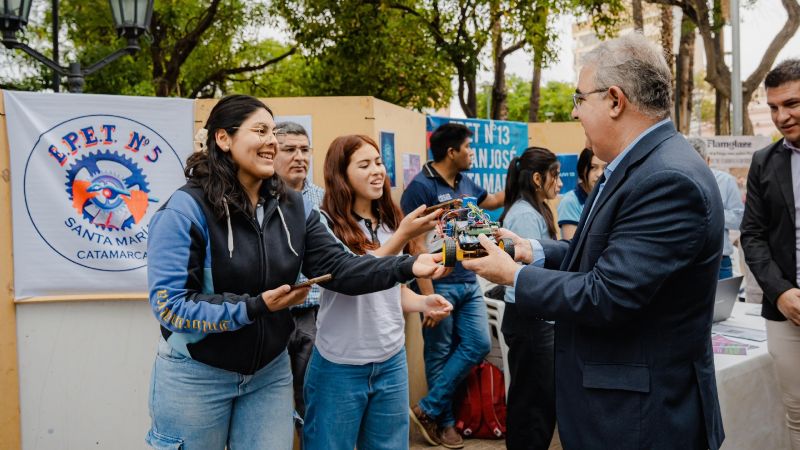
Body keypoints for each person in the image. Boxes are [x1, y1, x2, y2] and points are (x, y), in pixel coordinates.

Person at [462, 33, 726, 450]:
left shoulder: (665, 179)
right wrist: (534, 250)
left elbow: (607, 294)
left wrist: (513, 274)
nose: (574, 111)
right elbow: (604, 257)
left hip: (638, 419)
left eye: (580, 98)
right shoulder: (642, 167)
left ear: (615, 100)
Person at [145, 95, 446, 450]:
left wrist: (408, 265)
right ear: (223, 139)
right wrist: (255, 307)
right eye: (260, 130)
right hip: (197, 374)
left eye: (274, 131)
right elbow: (171, 307)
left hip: (268, 374)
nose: (272, 141)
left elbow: (341, 269)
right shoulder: (184, 211)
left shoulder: (293, 205)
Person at [302, 134, 453, 450]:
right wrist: (402, 237)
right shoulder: (323, 223)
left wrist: (424, 301)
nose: (377, 171)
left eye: (379, 162)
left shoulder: (390, 221)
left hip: (391, 361)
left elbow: (390, 290)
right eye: (364, 164)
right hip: (339, 365)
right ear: (341, 174)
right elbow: (352, 279)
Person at [401, 122, 503, 449]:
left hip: (468, 282)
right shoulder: (420, 188)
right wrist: (428, 297)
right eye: (468, 148)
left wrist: (520, 174)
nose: (471, 153)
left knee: (478, 344)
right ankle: (444, 424)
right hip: (438, 287)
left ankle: (427, 408)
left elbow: (492, 201)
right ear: (451, 152)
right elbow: (415, 247)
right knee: (439, 353)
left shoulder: (465, 181)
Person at [740, 58, 800, 449]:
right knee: (796, 413)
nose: (782, 116)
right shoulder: (764, 161)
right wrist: (780, 293)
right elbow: (753, 236)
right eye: (774, 107)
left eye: (792, 104)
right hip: (785, 311)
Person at [499, 147, 561, 450]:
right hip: (530, 318)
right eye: (555, 175)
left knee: (537, 401)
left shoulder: (535, 210)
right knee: (532, 406)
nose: (559, 183)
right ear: (537, 178)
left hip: (536, 315)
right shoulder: (524, 215)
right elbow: (528, 275)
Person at [273, 121, 324, 430]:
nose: (299, 157)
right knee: (270, 407)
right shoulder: (258, 200)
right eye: (289, 150)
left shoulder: (325, 200)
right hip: (271, 315)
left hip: (315, 316)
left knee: (312, 403)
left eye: (304, 150)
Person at [687, 137, 744, 279]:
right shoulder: (675, 181)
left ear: (708, 160)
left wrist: (711, 212)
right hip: (686, 260)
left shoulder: (726, 181)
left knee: (723, 301)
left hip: (720, 261)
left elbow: (739, 220)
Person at [557, 146, 605, 239]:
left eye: (605, 168)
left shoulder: (606, 197)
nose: (599, 174)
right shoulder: (570, 201)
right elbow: (571, 245)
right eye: (593, 168)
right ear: (583, 169)